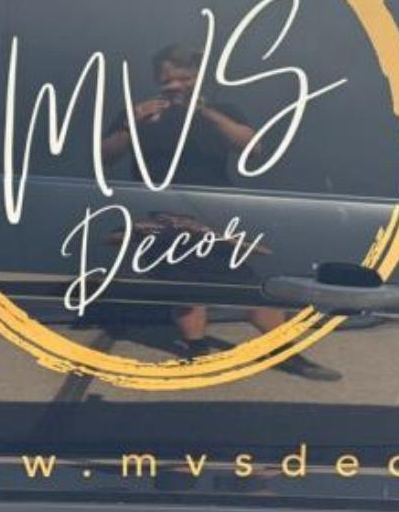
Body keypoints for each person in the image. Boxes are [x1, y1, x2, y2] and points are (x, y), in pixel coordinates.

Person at [100, 43, 341, 382]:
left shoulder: (223, 111)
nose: (175, 86)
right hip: (158, 215)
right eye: (167, 80)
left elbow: (253, 148)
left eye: (184, 78)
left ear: (200, 78)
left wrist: (205, 113)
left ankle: (287, 353)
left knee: (248, 286)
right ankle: (197, 351)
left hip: (212, 213)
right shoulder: (137, 113)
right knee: (184, 287)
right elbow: (103, 157)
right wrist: (131, 125)